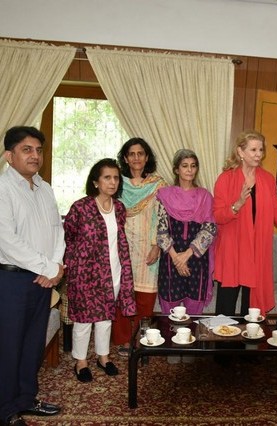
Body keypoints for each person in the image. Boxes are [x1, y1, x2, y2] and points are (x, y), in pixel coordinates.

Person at [0, 126, 64, 426]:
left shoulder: (45, 188)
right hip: (11, 281)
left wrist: (56, 267)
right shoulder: (3, 188)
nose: (35, 155)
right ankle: (5, 409)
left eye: (39, 150)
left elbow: (57, 231)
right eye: (27, 149)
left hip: (43, 280)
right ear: (9, 155)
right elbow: (7, 241)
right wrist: (48, 268)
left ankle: (26, 399)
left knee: (32, 344)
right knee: (8, 346)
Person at [213, 130, 277, 316]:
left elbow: (276, 211)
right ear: (240, 152)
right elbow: (217, 216)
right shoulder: (225, 179)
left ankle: (249, 333)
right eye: (253, 150)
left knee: (251, 310)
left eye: (261, 150)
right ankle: (223, 334)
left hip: (257, 249)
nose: (258, 154)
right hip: (233, 248)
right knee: (226, 307)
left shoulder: (267, 178)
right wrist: (237, 204)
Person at [64, 158, 136, 383]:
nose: (112, 182)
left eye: (116, 178)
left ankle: (103, 357)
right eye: (107, 177)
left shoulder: (119, 208)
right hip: (85, 274)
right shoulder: (80, 207)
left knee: (106, 317)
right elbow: (68, 237)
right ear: (96, 182)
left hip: (113, 271)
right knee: (84, 319)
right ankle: (81, 361)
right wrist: (73, 266)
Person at [112, 138, 166, 357]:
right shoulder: (118, 183)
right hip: (122, 246)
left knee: (145, 298)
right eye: (131, 154)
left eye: (140, 153)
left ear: (146, 157)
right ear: (125, 158)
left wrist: (157, 246)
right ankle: (124, 339)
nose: (136, 158)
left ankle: (142, 339)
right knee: (122, 294)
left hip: (148, 247)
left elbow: (161, 217)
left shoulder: (157, 184)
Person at [156, 149, 216, 314]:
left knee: (193, 315)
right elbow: (161, 231)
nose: (189, 170)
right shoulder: (164, 195)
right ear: (176, 169)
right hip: (170, 259)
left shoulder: (204, 196)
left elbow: (209, 229)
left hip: (197, 260)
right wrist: (177, 259)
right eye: (185, 166)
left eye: (193, 166)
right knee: (170, 315)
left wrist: (187, 255)